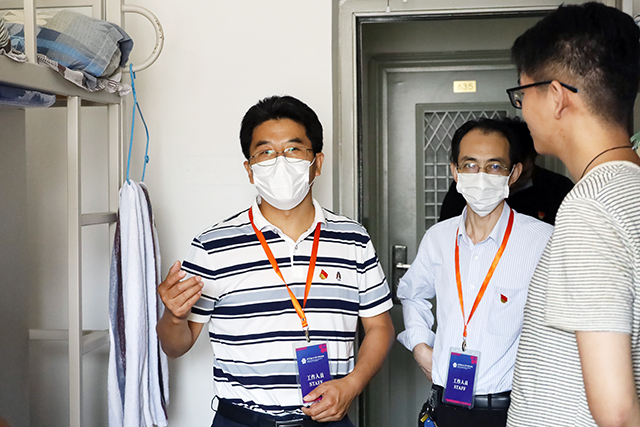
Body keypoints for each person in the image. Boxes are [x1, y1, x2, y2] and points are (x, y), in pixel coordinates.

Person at [157, 95, 395, 427]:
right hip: (241, 421)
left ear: (317, 163)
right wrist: (173, 316)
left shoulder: (352, 239)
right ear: (250, 170)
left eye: (293, 149)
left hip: (328, 419)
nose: (280, 161)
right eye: (266, 152)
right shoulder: (213, 245)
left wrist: (352, 385)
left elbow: (380, 326)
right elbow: (175, 346)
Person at [505, 3, 640, 427]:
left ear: (556, 96)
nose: (522, 110)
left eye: (522, 94)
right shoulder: (629, 190)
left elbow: (616, 412)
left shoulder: (590, 209)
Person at [397, 118, 553, 427]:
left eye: (494, 166)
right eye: (469, 165)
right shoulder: (439, 237)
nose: (481, 176)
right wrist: (420, 345)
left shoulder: (542, 240)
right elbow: (412, 294)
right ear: (455, 172)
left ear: (513, 173)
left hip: (512, 410)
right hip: (445, 405)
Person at [439, 118, 573, 225]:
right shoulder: (468, 185)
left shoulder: (556, 187)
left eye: (495, 166)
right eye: (471, 165)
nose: (513, 183)